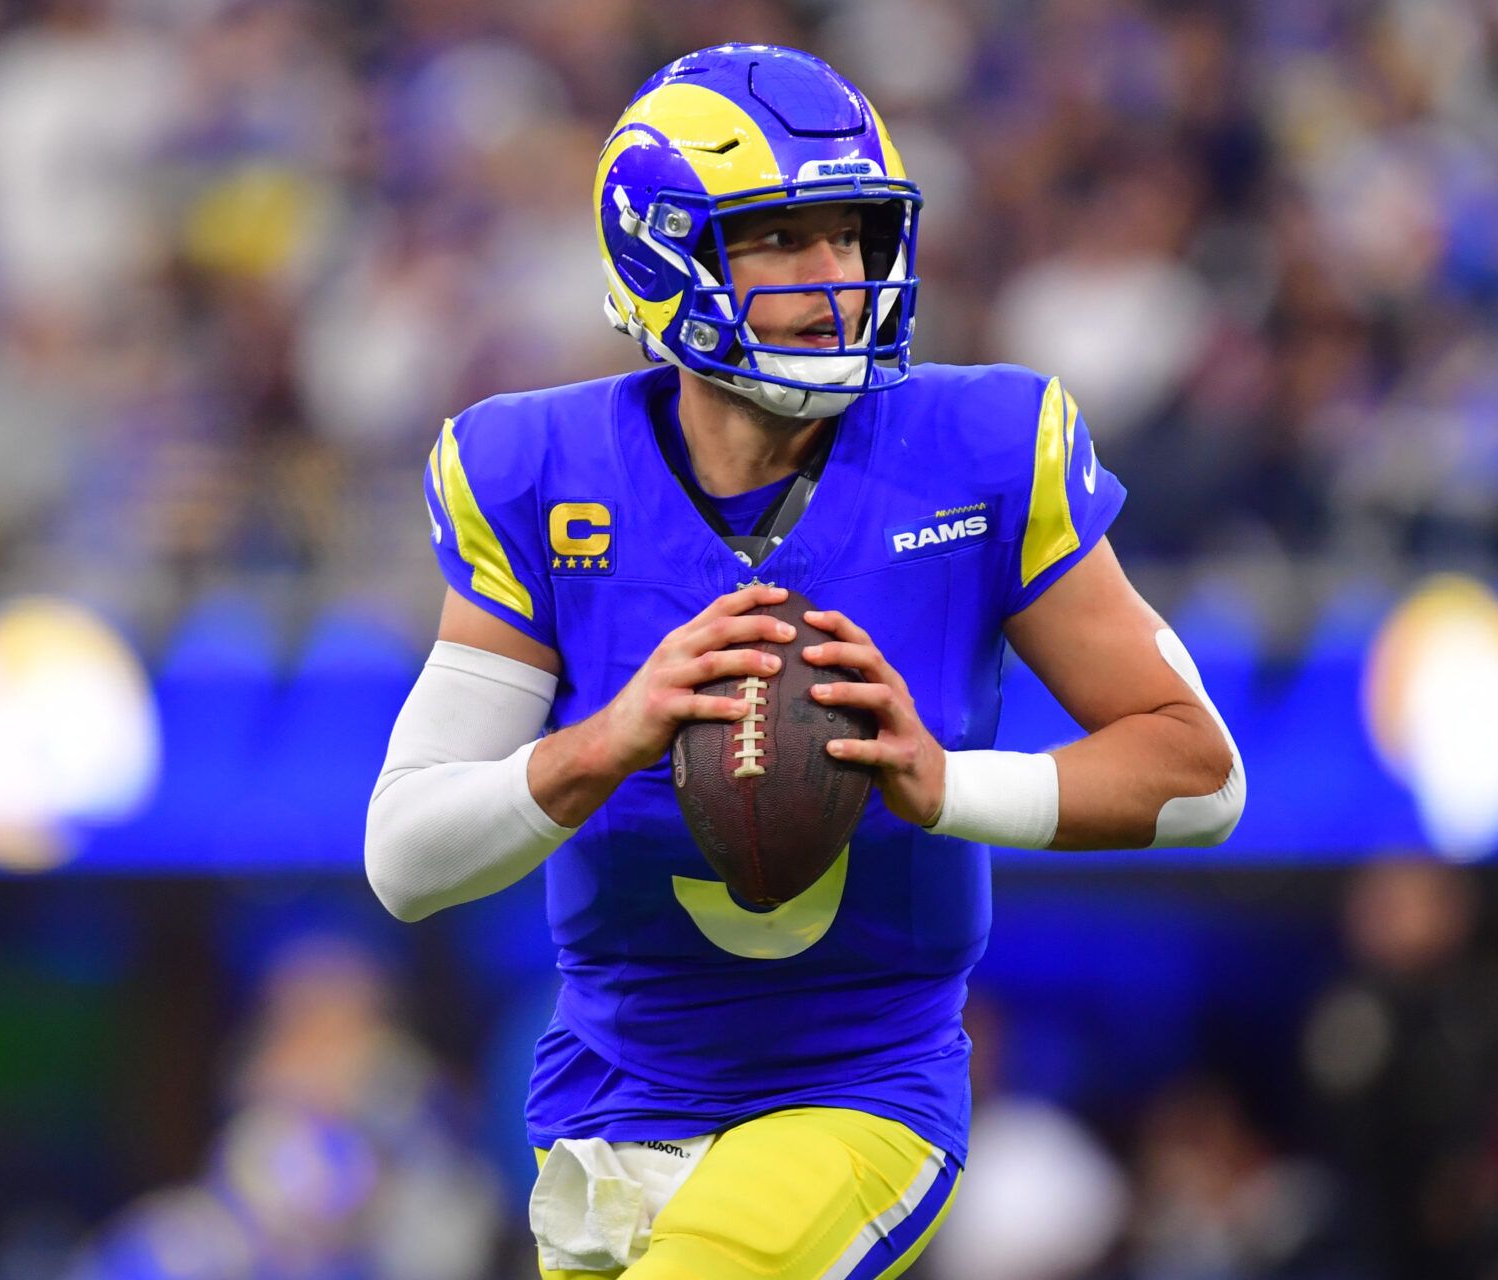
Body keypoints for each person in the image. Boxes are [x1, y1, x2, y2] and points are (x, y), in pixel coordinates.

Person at [363, 44, 1244, 1280]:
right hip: (609, 1102)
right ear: (661, 252)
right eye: (783, 239)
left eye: (853, 236)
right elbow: (406, 856)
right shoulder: (537, 472)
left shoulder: (982, 449)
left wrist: (947, 781)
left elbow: (1200, 774)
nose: (835, 280)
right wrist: (606, 738)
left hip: (859, 1089)